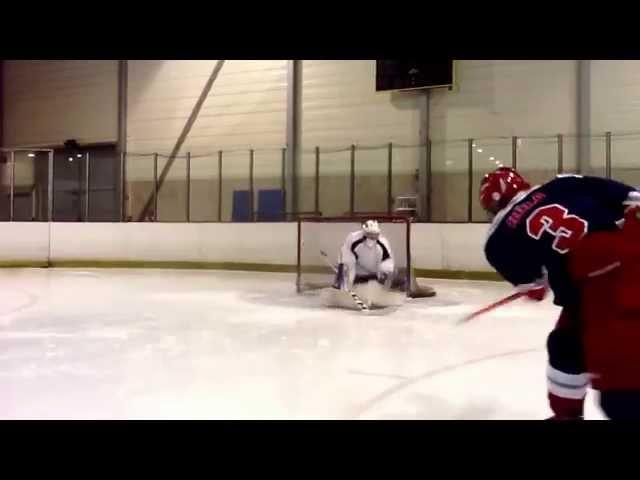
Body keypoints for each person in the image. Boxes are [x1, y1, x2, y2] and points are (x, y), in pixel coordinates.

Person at [480, 167, 640, 420]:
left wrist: (543, 275)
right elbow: (632, 197)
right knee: (566, 345)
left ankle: (568, 415)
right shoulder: (565, 183)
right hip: (623, 259)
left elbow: (534, 290)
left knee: (620, 395)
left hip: (605, 286)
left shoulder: (497, 238)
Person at [333, 220, 396, 291]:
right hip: (357, 271)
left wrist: (384, 289)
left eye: (375, 235)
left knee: (388, 274)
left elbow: (388, 264)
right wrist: (347, 283)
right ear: (364, 232)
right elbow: (346, 259)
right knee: (344, 271)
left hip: (373, 273)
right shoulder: (353, 239)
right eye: (369, 234)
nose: (372, 237)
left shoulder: (383, 243)